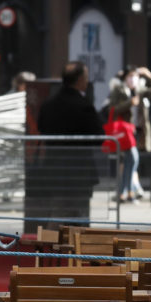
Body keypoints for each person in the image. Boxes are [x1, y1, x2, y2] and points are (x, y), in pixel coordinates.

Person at [35, 61, 105, 227]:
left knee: (57, 212)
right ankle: (77, 251)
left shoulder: (49, 104)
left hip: (54, 170)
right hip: (79, 172)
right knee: (79, 217)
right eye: (86, 77)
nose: (87, 81)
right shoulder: (84, 105)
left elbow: (41, 127)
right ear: (80, 80)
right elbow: (99, 136)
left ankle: (52, 250)